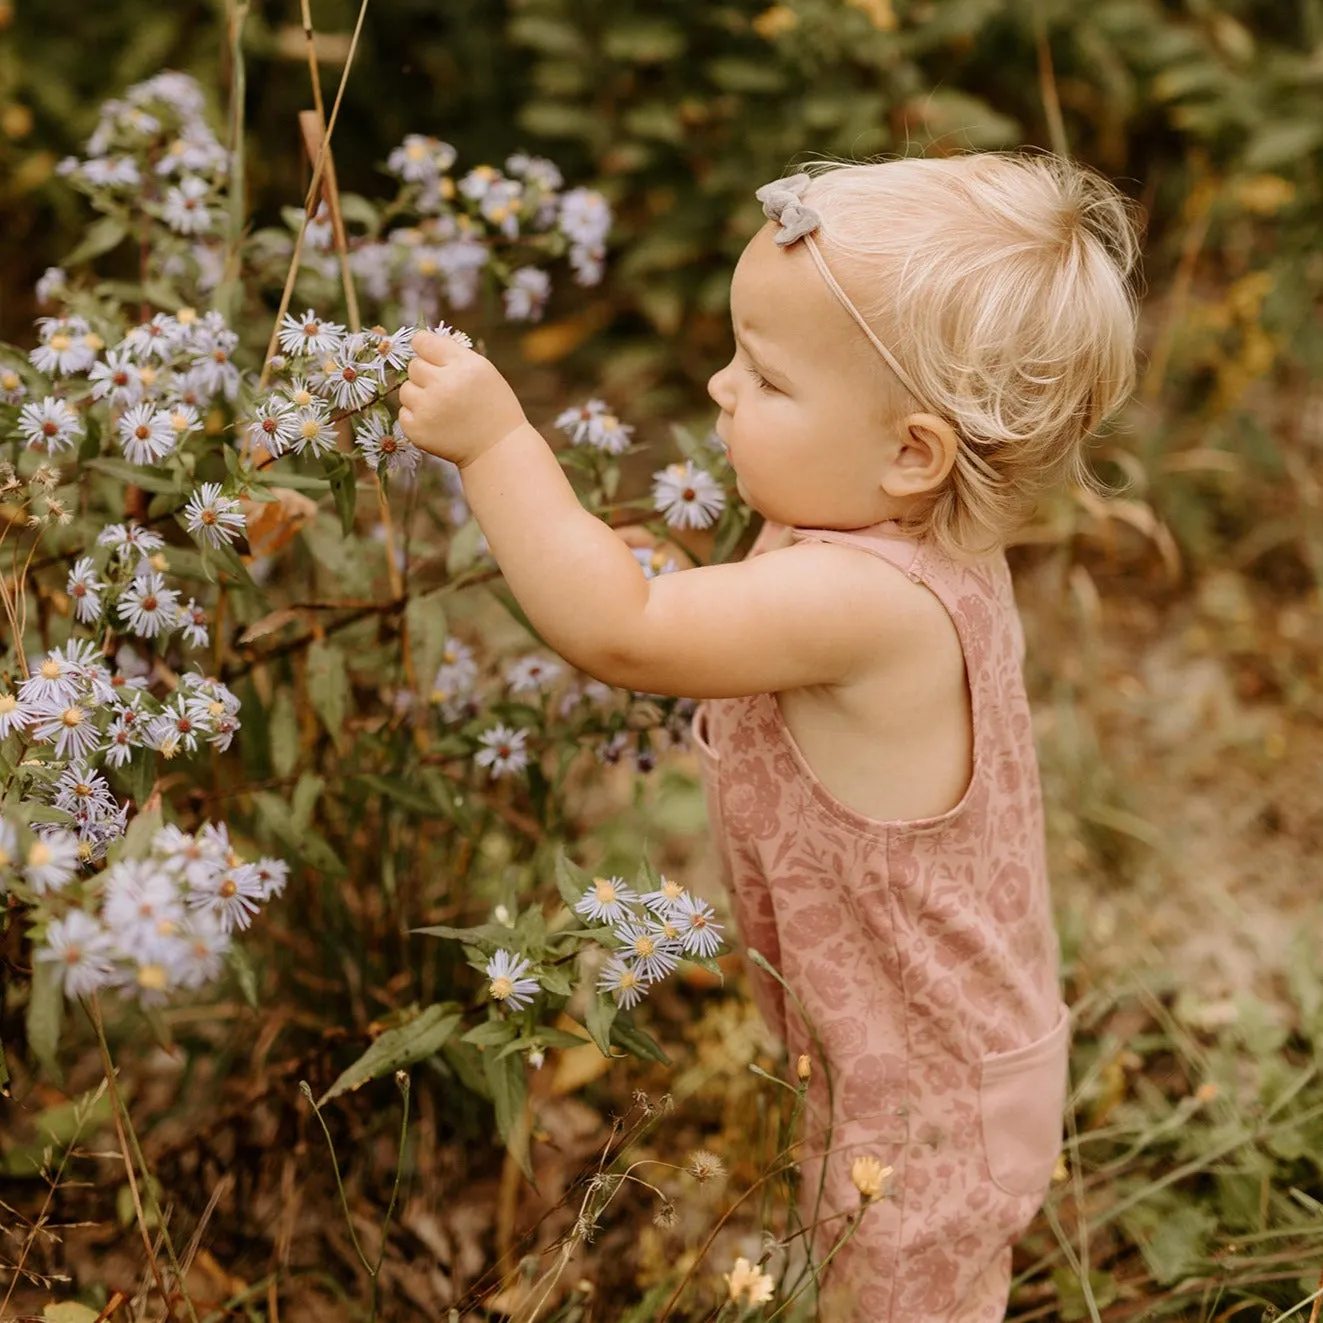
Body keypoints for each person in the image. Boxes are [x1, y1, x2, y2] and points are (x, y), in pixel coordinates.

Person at [399, 151, 1141, 1321]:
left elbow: (628, 629)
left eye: (766, 377)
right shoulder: (867, 529)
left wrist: (499, 448)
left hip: (932, 1096)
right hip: (894, 1049)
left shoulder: (869, 604)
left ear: (912, 451)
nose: (718, 387)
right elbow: (700, 614)